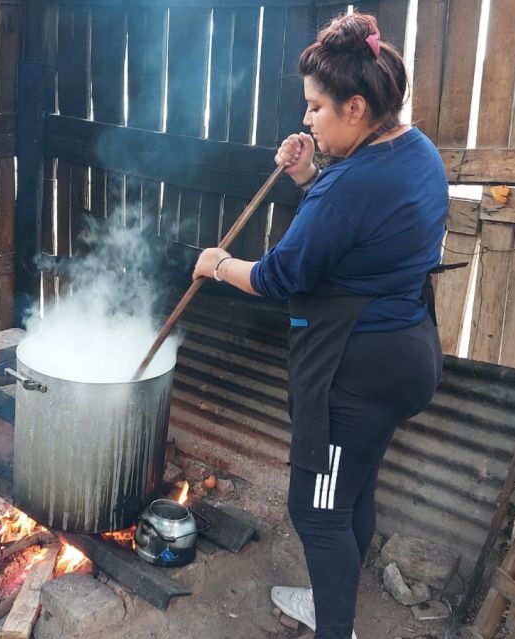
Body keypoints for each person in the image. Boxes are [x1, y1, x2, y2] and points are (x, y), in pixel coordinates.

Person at [191, 11, 447, 638]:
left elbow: (282, 277)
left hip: (352, 372)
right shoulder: (415, 151)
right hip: (408, 351)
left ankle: (336, 629)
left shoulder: (351, 185)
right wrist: (312, 175)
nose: (307, 119)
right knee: (352, 492)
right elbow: (356, 232)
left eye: (315, 108)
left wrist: (219, 265)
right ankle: (337, 609)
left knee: (317, 511)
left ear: (355, 106)